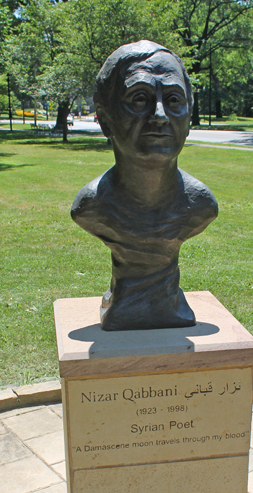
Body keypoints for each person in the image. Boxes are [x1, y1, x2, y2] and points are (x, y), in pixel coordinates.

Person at [71, 40, 218, 331]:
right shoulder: (91, 207)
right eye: (139, 99)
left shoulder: (200, 205)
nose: (160, 115)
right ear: (105, 117)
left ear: (188, 118)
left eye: (175, 100)